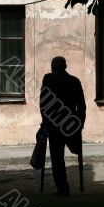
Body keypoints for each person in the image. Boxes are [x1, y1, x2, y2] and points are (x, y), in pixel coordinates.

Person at [39, 56, 86, 196]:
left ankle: (62, 187)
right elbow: (82, 106)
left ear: (53, 67)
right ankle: (65, 187)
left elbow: (43, 103)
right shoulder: (74, 81)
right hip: (71, 123)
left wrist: (45, 121)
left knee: (57, 157)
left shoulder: (48, 79)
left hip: (54, 123)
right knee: (74, 151)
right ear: (65, 66)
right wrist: (80, 123)